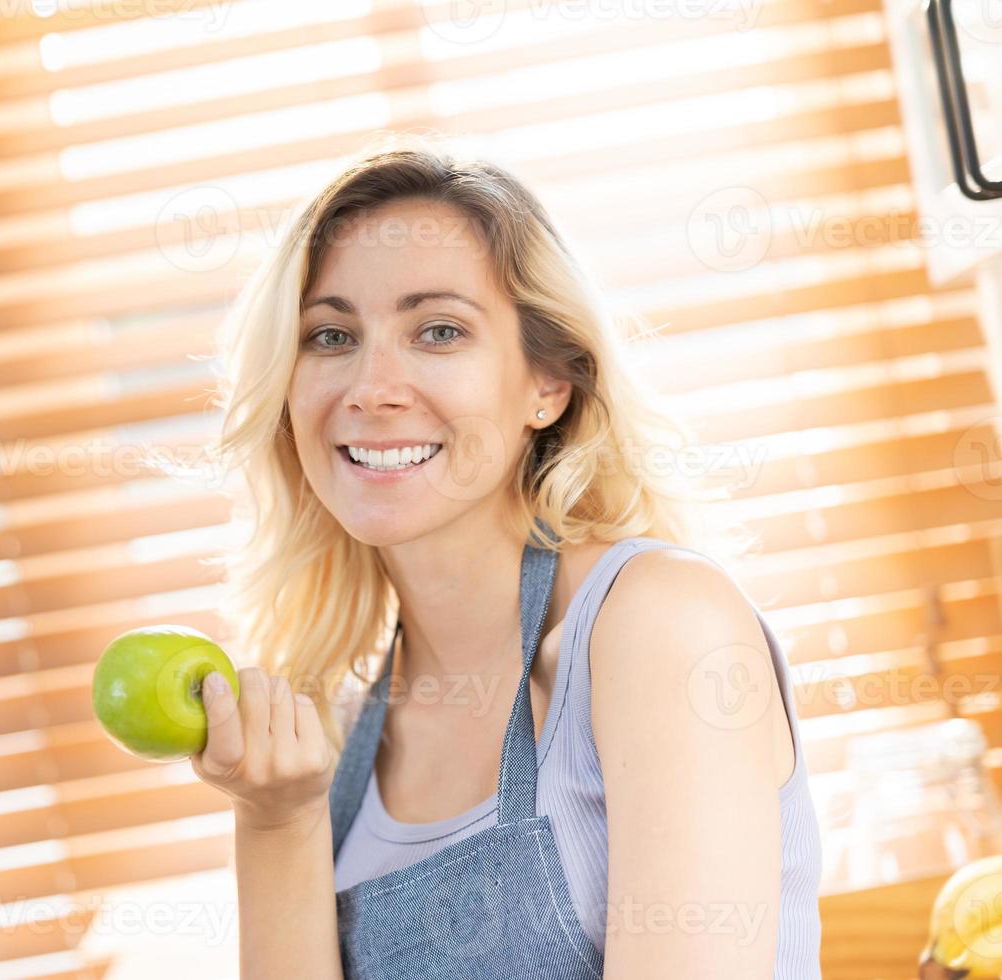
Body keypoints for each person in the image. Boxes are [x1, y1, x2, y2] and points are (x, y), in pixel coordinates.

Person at [187, 131, 822, 979]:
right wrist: (275, 821)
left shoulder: (659, 628)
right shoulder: (333, 742)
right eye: (329, 338)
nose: (372, 389)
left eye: (438, 331)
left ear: (546, 384)